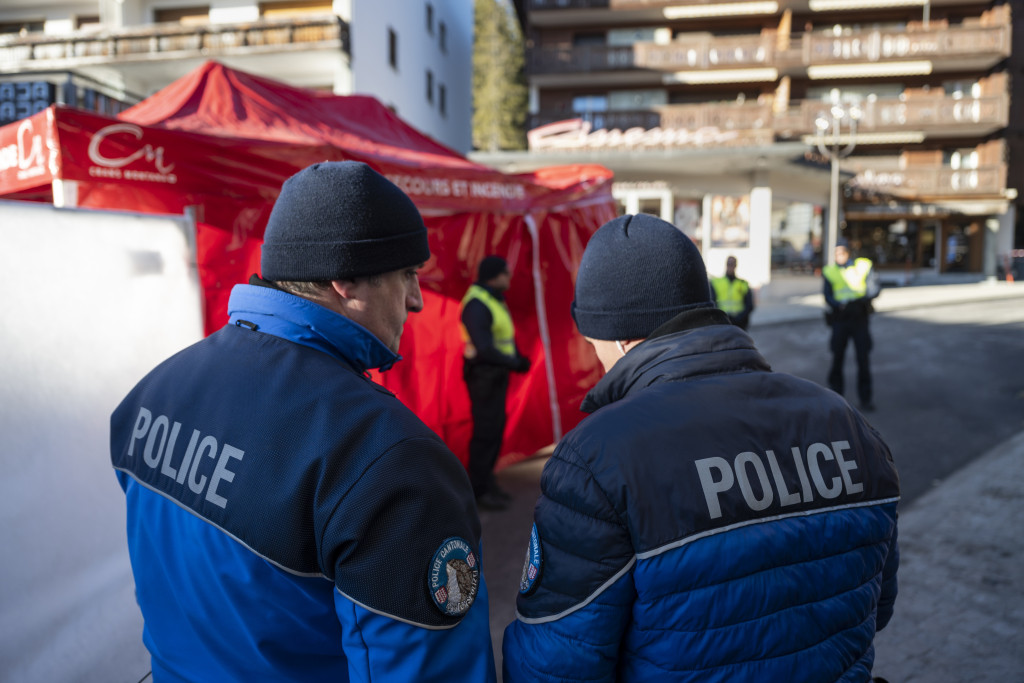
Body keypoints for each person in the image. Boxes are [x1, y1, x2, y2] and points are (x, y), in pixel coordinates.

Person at [110, 161, 496, 682]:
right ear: (344, 278)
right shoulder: (392, 463)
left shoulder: (155, 391)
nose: (417, 299)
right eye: (406, 274)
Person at [503, 214, 899, 682]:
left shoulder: (598, 457)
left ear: (618, 336)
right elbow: (878, 606)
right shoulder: (848, 423)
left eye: (593, 344)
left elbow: (556, 664)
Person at [460, 255, 530, 511]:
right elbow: (485, 347)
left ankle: (487, 483)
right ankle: (479, 490)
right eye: (506, 273)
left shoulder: (491, 299)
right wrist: (516, 363)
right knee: (486, 434)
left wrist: (516, 359)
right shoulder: (477, 304)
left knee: (494, 432)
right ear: (494, 275)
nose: (509, 278)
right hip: (484, 378)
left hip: (494, 375)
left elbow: (500, 341)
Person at [824, 238, 880, 412]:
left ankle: (865, 399)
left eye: (842, 252)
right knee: (837, 359)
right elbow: (828, 295)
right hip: (840, 320)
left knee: (863, 360)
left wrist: (859, 300)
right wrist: (837, 304)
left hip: (859, 318)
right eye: (836, 253)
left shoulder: (863, 266)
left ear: (849, 252)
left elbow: (874, 288)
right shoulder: (830, 271)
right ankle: (835, 398)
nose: (839, 256)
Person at [710, 254, 755, 329]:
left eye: (732, 264)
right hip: (722, 322)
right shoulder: (716, 283)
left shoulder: (743, 284)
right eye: (729, 264)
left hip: (740, 323)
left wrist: (739, 318)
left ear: (736, 265)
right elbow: (713, 303)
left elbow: (749, 305)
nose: (730, 266)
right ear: (726, 265)